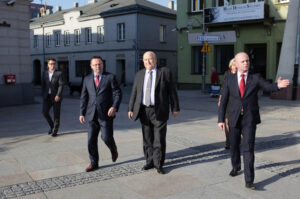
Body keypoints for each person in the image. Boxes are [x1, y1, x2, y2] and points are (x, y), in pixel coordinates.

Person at [218, 52, 290, 190]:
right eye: (243, 61)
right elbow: (224, 100)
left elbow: (267, 86)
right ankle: (236, 166)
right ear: (237, 64)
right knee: (233, 145)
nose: (246, 63)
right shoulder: (229, 79)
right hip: (233, 118)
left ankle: (249, 180)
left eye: (247, 61)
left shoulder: (255, 78)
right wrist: (221, 119)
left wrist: (278, 86)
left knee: (248, 148)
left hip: (249, 119)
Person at [128, 51, 180, 174]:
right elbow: (134, 93)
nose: (148, 62)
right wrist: (130, 108)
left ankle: (158, 164)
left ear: (155, 60)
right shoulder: (139, 74)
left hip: (159, 110)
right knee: (147, 138)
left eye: (150, 59)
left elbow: (172, 91)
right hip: (143, 110)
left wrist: (175, 107)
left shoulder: (164, 72)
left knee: (159, 139)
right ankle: (149, 161)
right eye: (145, 60)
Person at [79, 56, 122, 172]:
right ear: (91, 66)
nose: (98, 66)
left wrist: (114, 107)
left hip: (106, 114)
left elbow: (117, 94)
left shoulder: (110, 77)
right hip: (91, 115)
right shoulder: (87, 79)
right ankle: (94, 163)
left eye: (100, 64)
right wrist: (81, 113)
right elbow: (84, 97)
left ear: (103, 64)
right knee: (91, 140)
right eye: (95, 64)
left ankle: (113, 149)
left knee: (106, 137)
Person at [42, 58, 64, 137]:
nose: (52, 65)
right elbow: (43, 85)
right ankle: (51, 125)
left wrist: (58, 95)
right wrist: (43, 94)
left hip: (56, 97)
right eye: (51, 64)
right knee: (44, 112)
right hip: (47, 97)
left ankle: (55, 130)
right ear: (48, 65)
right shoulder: (44, 73)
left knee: (56, 114)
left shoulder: (59, 73)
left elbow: (61, 85)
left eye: (54, 63)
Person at [218, 58, 237, 149]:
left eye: (236, 65)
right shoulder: (227, 74)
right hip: (227, 100)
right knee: (227, 122)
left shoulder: (240, 74)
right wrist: (220, 98)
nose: (235, 67)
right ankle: (228, 141)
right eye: (234, 65)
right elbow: (223, 87)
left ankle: (235, 139)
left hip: (236, 101)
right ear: (231, 66)